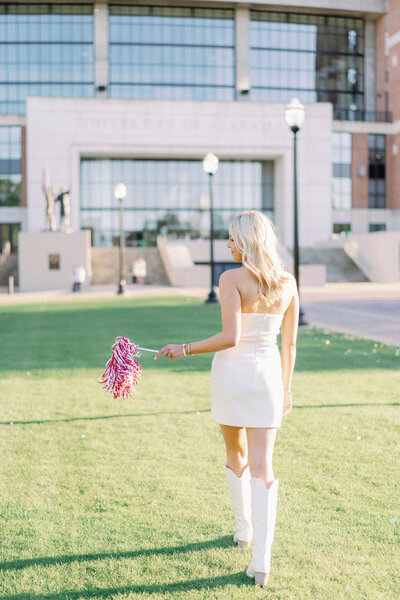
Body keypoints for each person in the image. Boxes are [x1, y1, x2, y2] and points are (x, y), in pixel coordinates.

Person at [155, 210, 299, 587]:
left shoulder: (230, 278)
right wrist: (285, 388)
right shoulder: (288, 282)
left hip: (233, 376)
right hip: (268, 378)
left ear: (248, 241)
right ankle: (261, 562)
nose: (228, 244)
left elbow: (230, 337)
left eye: (232, 238)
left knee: (235, 454)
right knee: (263, 466)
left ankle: (243, 531)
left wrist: (183, 348)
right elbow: (290, 344)